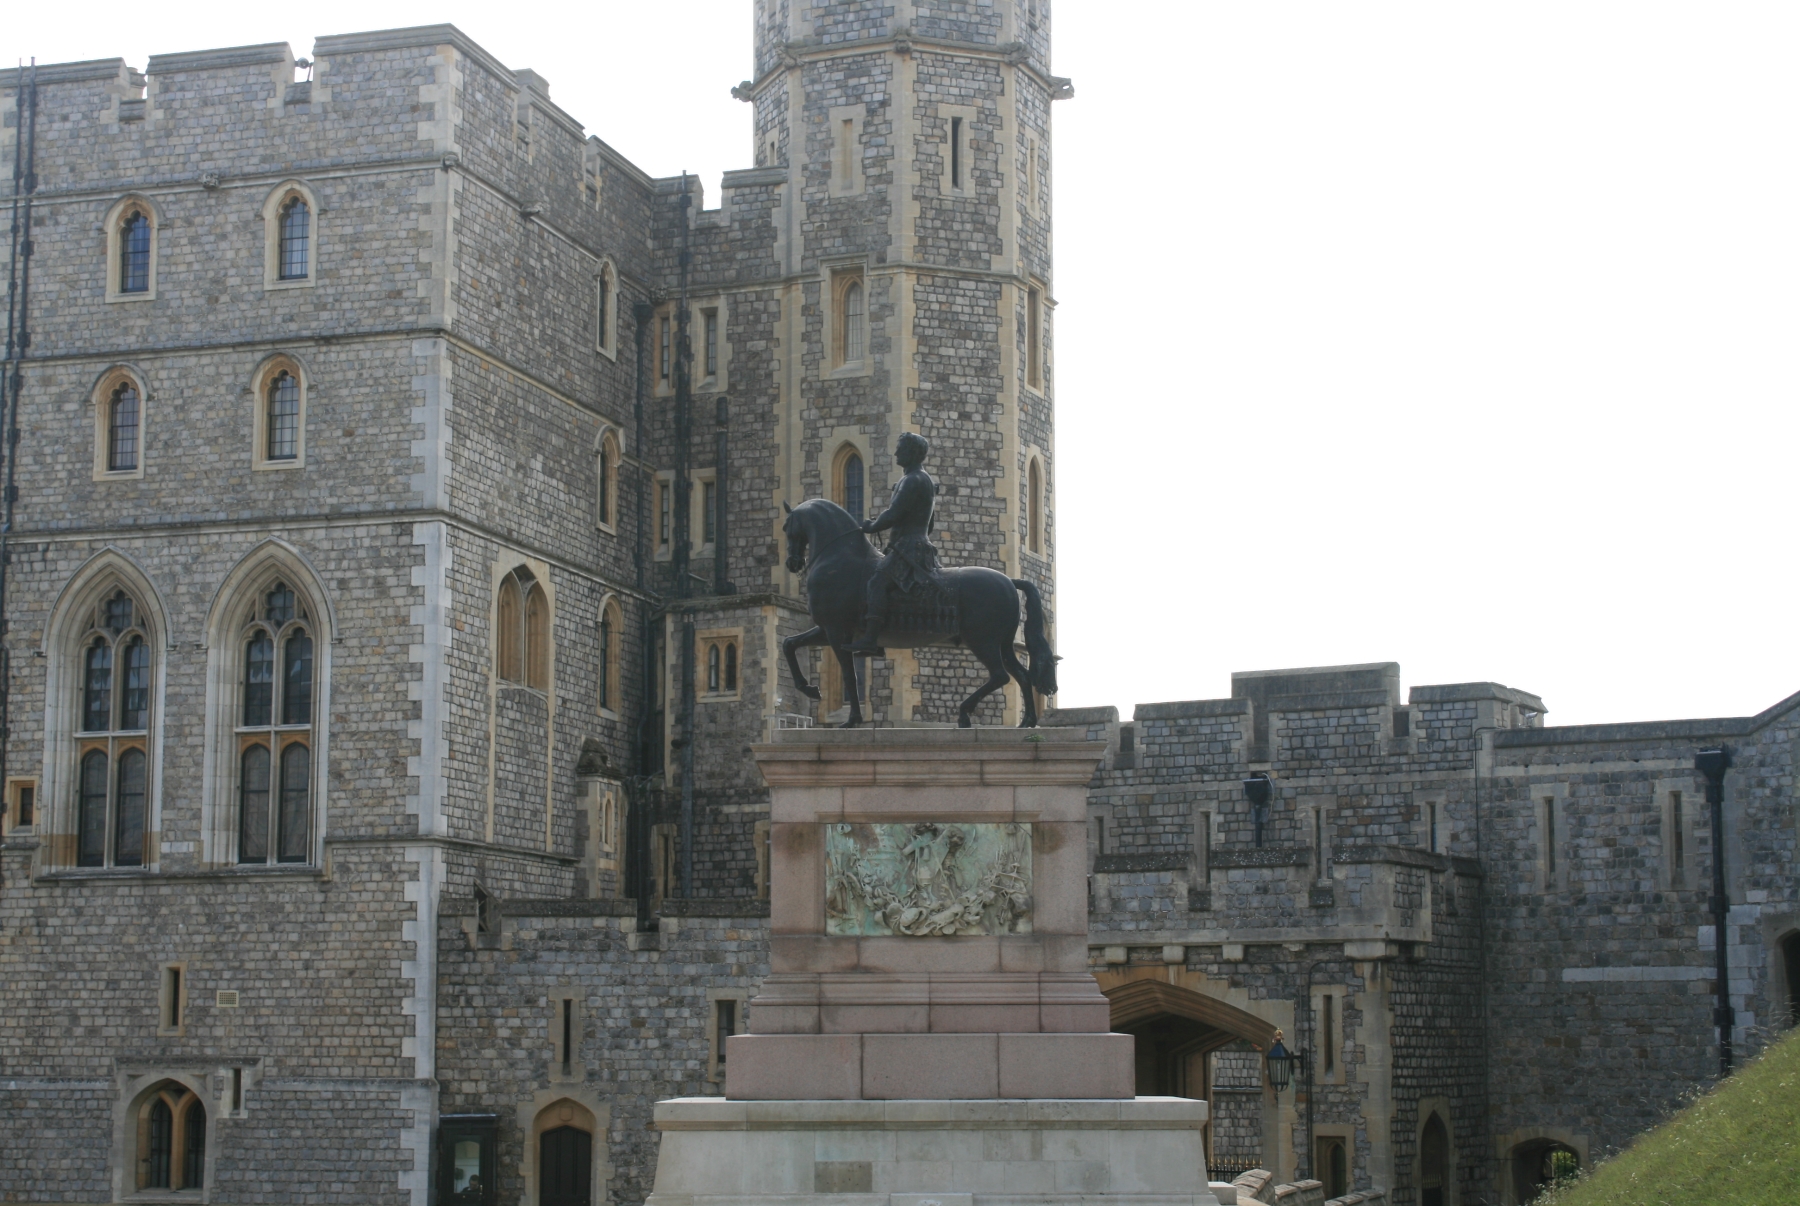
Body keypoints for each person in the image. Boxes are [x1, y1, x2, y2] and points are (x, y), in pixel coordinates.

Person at [850, 432, 940, 653]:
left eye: (901, 448)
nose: (897, 452)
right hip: (913, 543)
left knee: (877, 583)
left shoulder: (913, 480)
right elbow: (930, 524)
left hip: (910, 548)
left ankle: (871, 639)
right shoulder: (919, 479)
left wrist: (871, 526)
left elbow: (893, 514)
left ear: (912, 452)